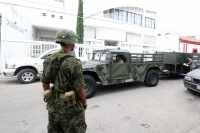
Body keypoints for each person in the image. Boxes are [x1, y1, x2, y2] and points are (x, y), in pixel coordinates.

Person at [41, 29, 87, 133]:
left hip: (53, 106)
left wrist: (50, 99)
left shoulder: (49, 59)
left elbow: (45, 83)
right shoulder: (74, 62)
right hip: (71, 107)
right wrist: (84, 101)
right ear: (71, 43)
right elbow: (79, 88)